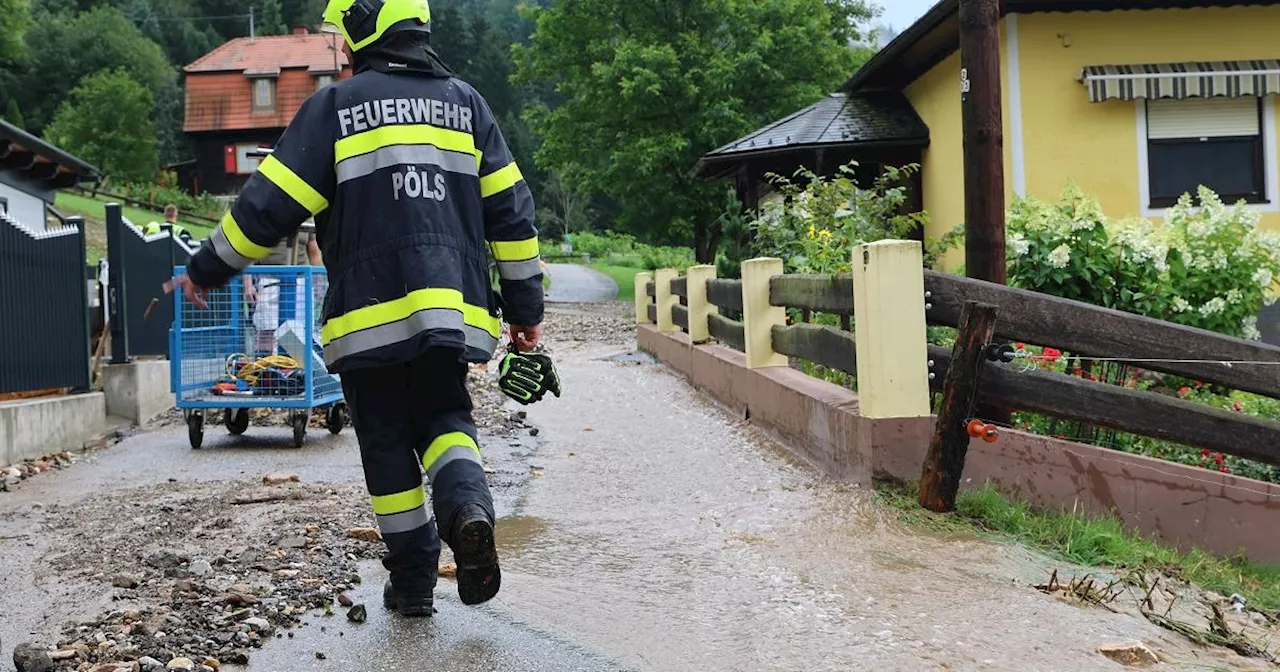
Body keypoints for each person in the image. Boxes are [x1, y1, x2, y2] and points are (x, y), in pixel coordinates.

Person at [165, 0, 545, 617]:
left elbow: (270, 204)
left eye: (343, 35)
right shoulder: (468, 105)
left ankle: (415, 584)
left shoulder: (336, 109)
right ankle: (469, 511)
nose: (340, 49)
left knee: (388, 444)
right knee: (448, 420)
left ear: (366, 28)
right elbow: (512, 211)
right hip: (453, 313)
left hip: (369, 322)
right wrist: (527, 308)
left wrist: (207, 268)